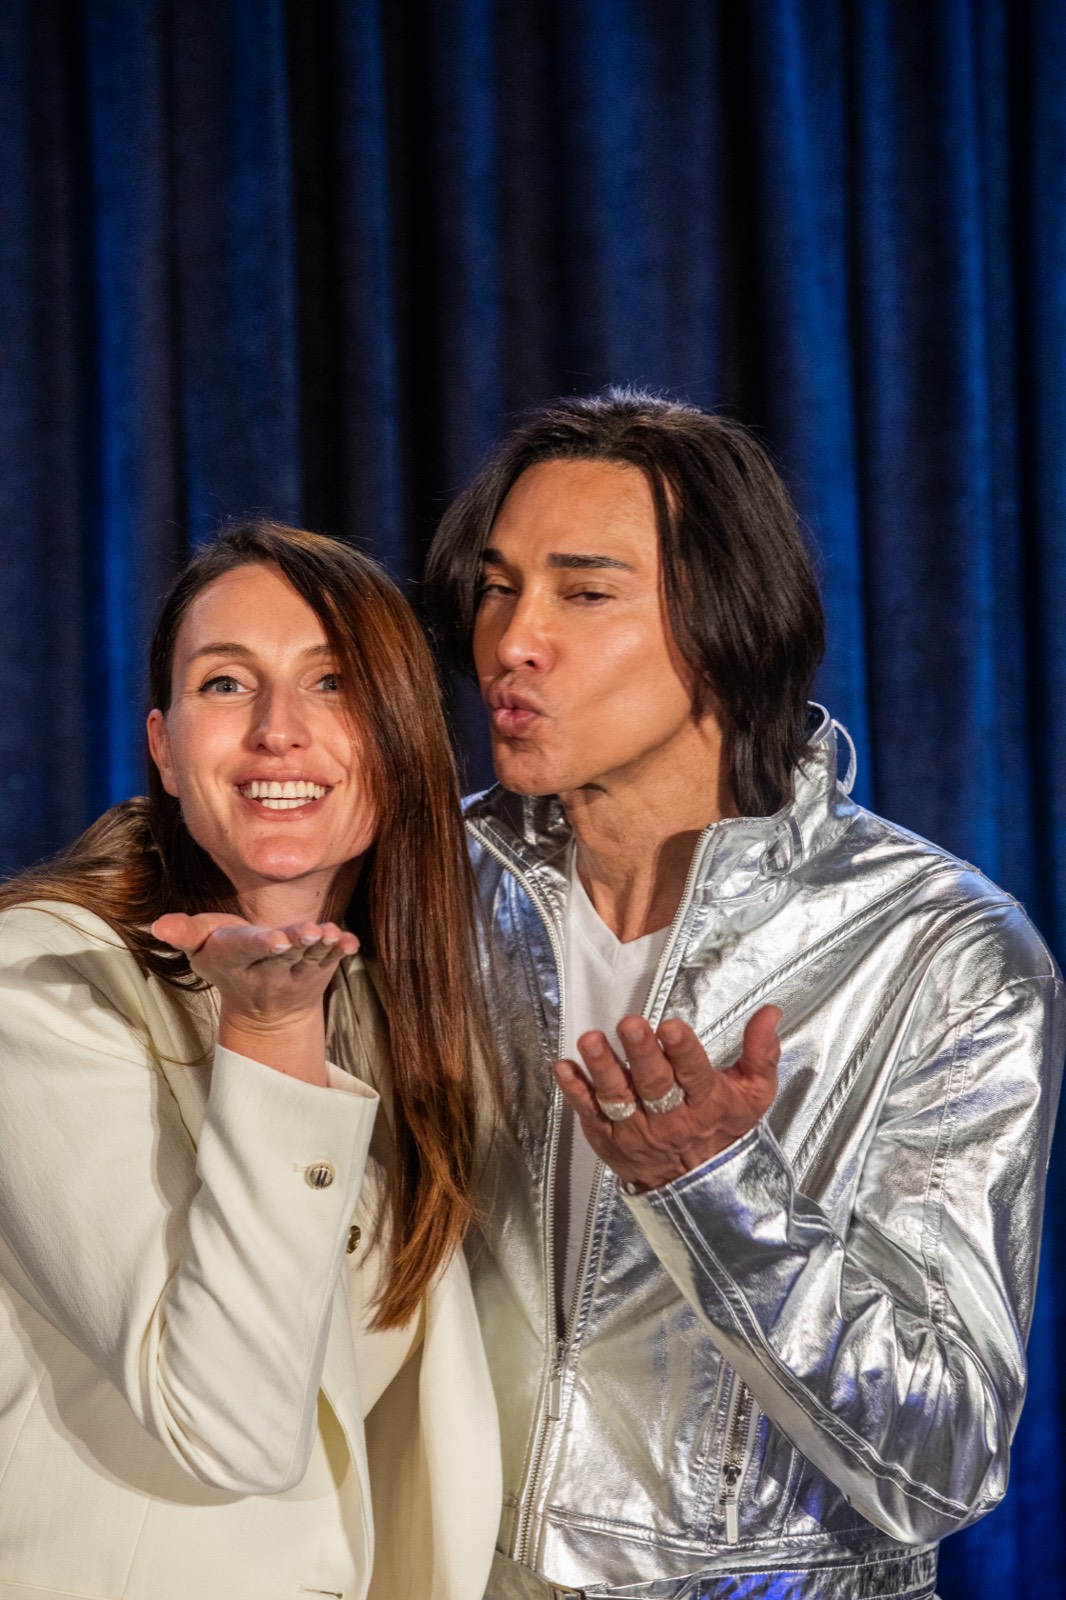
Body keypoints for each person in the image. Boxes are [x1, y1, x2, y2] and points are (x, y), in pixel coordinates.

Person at [424, 391, 1065, 1600]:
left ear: (725, 623)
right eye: (498, 587)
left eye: (584, 592)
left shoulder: (942, 948)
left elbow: (943, 1458)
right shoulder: (429, 888)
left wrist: (716, 1190)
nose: (511, 639)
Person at [0, 520, 501, 1600]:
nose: (279, 731)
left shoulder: (406, 1006)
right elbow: (225, 1426)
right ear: (165, 747)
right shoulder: (38, 988)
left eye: (333, 683)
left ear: (403, 739)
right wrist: (268, 1039)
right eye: (226, 684)